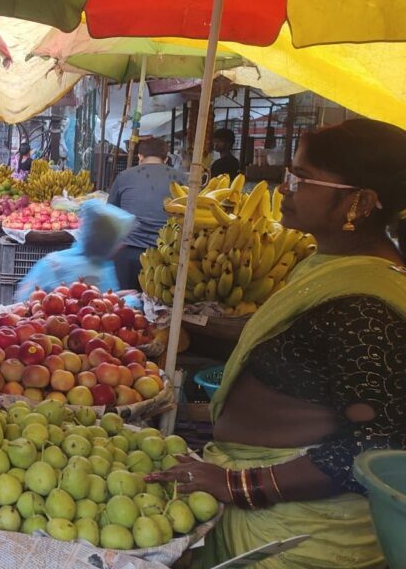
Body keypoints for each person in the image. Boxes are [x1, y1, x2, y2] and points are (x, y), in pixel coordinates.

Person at [148, 119, 406, 568]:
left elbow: (374, 445)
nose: (284, 189)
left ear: (361, 203)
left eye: (301, 179)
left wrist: (237, 486)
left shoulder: (367, 310)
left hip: (303, 538)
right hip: (271, 511)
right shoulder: (329, 266)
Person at [14, 199, 134, 301]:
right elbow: (96, 306)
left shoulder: (53, 263)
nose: (121, 245)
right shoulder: (56, 265)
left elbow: (95, 302)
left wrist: (117, 297)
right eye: (118, 240)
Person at [107, 137, 186, 290]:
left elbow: (110, 213)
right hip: (167, 255)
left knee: (125, 302)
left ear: (140, 156)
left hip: (128, 253)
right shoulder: (181, 178)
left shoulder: (124, 176)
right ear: (166, 159)